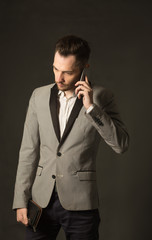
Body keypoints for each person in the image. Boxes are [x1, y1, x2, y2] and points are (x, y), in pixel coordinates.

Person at [13, 35, 129, 240]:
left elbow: (121, 144)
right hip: (41, 203)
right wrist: (20, 200)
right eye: (56, 69)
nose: (59, 78)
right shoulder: (38, 96)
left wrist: (91, 108)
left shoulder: (102, 97)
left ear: (85, 66)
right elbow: (28, 151)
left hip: (81, 204)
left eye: (67, 72)